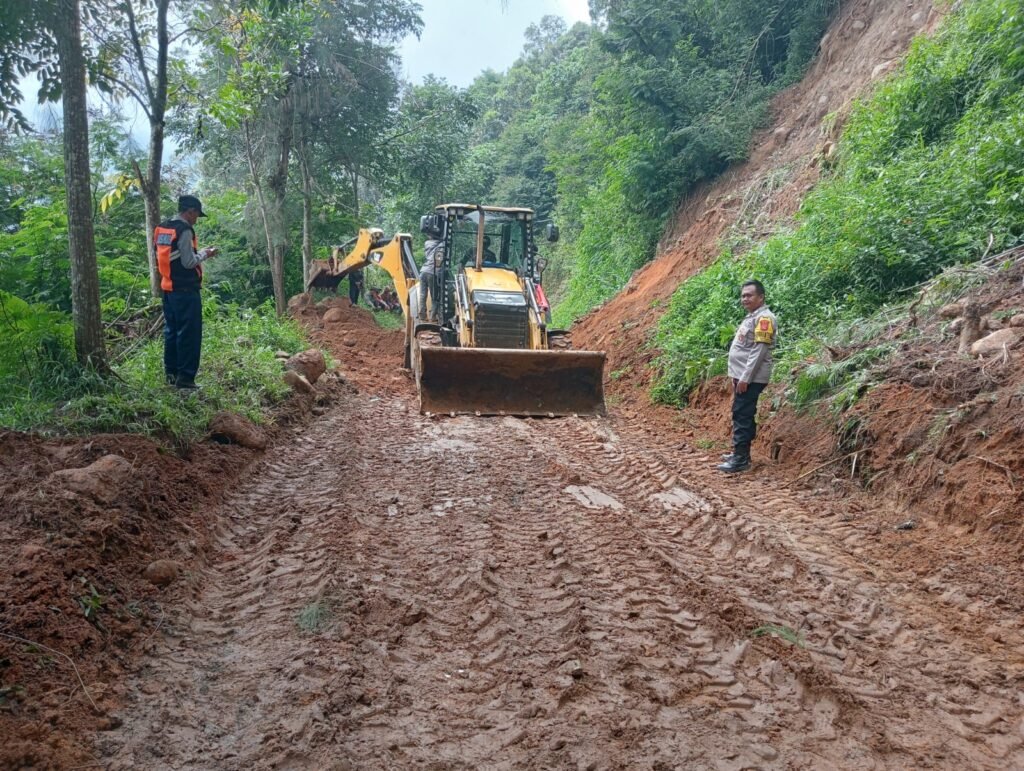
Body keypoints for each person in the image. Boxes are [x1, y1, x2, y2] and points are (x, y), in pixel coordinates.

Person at [155, 195, 217, 390]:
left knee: (171, 332)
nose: (196, 219)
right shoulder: (184, 231)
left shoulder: (162, 228)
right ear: (190, 211)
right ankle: (186, 380)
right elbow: (188, 262)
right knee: (189, 334)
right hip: (185, 290)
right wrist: (206, 253)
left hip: (168, 289)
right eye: (196, 214)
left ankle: (171, 374)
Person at [717, 280, 777, 473]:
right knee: (743, 413)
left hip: (750, 378)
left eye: (749, 295)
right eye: (743, 295)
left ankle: (741, 459)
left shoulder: (765, 319)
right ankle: (741, 453)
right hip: (744, 376)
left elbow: (759, 351)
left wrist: (745, 378)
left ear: (761, 297)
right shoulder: (753, 317)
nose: (745, 299)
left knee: (742, 414)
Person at [419, 233, 443, 321]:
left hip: (423, 271)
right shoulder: (442, 245)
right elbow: (439, 260)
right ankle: (433, 316)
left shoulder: (427, 243)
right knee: (435, 297)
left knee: (422, 294)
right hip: (432, 272)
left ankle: (422, 315)